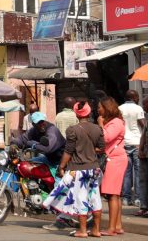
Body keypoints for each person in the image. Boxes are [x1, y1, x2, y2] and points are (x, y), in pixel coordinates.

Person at [43, 100, 104, 238]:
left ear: (76, 114)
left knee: (81, 198)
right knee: (95, 198)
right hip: (94, 169)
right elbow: (102, 148)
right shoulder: (97, 129)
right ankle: (96, 230)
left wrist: (62, 166)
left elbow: (68, 151)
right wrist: (90, 150)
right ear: (89, 113)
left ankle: (83, 231)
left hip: (79, 169)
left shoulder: (73, 130)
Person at [99, 96, 128, 236]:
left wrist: (100, 124)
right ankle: (117, 226)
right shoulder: (115, 121)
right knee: (115, 194)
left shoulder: (115, 122)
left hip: (115, 159)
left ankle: (111, 228)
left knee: (112, 194)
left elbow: (105, 138)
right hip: (115, 158)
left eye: (100, 107)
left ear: (107, 108)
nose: (98, 110)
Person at [120, 90, 145, 207]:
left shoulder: (119, 108)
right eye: (138, 97)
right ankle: (138, 199)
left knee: (126, 172)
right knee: (138, 173)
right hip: (136, 143)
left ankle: (126, 198)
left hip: (124, 143)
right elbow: (143, 124)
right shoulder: (138, 109)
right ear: (134, 97)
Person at [137, 96, 148, 217]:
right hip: (144, 153)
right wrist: (140, 149)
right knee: (143, 180)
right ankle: (144, 206)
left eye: (145, 104)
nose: (143, 107)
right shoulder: (146, 118)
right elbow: (143, 135)